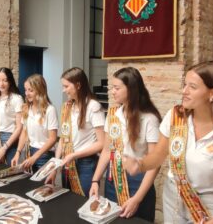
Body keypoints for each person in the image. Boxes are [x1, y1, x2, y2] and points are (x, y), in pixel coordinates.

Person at [124, 61, 213, 224]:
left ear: (212, 93)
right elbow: (158, 155)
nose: (184, 91)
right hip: (173, 198)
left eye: (192, 87)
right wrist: (140, 164)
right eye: (185, 85)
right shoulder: (175, 116)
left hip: (210, 207)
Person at [89, 67, 161, 221]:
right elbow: (107, 151)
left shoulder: (149, 119)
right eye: (111, 87)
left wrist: (137, 198)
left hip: (137, 181)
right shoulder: (114, 114)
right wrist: (95, 180)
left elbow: (155, 163)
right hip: (113, 179)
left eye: (116, 88)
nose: (112, 92)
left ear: (132, 89)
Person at [46, 67, 105, 197]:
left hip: (85, 164)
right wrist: (55, 166)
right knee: (67, 200)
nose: (63, 90)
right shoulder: (68, 106)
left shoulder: (93, 106)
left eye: (66, 86)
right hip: (68, 161)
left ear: (78, 85)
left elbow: (102, 143)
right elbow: (63, 138)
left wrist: (75, 155)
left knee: (83, 201)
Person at [11, 74, 58, 172]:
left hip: (44, 155)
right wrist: (18, 153)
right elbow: (24, 132)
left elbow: (53, 138)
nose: (27, 93)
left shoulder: (50, 110)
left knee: (44, 186)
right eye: (26, 90)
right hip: (29, 152)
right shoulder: (26, 108)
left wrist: (35, 157)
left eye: (31, 90)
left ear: (40, 90)